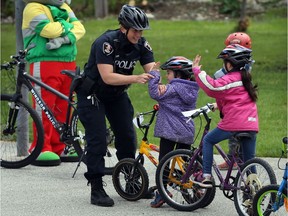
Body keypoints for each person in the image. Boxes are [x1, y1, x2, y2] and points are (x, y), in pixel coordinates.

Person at [76, 5, 155, 207]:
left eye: (141, 30)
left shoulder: (142, 44)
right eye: (135, 30)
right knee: (98, 140)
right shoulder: (106, 43)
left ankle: (131, 181)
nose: (139, 34)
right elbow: (108, 76)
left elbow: (152, 71)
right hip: (92, 94)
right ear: (124, 28)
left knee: (128, 136)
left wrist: (166, 82)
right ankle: (96, 188)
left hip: (116, 94)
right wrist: (135, 77)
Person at [22, 0, 86, 166]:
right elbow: (47, 30)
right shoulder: (33, 7)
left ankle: (61, 146)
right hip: (43, 61)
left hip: (68, 61)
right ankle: (41, 147)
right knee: (44, 105)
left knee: (65, 106)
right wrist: (67, 25)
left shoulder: (63, 6)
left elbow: (81, 28)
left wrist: (62, 30)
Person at [192, 44, 259, 185]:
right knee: (249, 161)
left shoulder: (231, 79)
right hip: (251, 123)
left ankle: (206, 176)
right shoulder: (246, 79)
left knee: (208, 140)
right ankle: (253, 194)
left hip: (235, 123)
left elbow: (212, 87)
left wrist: (197, 71)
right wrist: (219, 106)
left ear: (230, 64)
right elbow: (231, 98)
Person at [147, 57, 199, 208]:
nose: (167, 76)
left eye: (168, 73)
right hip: (186, 132)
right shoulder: (192, 88)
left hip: (169, 132)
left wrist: (155, 75)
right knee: (186, 164)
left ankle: (161, 194)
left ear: (178, 74)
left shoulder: (172, 88)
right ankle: (193, 189)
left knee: (164, 162)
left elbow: (154, 93)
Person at [214, 32, 253, 170]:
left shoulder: (244, 65)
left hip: (237, 103)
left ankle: (235, 159)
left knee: (235, 131)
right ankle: (234, 158)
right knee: (236, 134)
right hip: (233, 103)